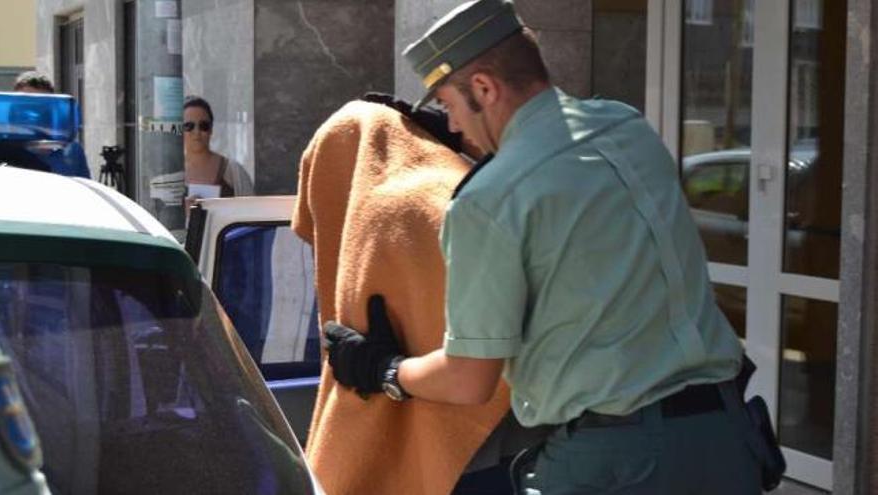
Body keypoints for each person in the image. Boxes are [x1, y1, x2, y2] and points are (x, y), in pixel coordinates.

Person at [322, 1, 764, 493]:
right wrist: (494, 142)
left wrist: (385, 369)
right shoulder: (626, 127)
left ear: (485, 88)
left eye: (449, 105)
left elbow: (469, 380)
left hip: (617, 461)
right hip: (723, 437)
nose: (451, 126)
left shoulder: (487, 203)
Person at [293, 97, 545, 495]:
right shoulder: (466, 184)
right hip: (528, 433)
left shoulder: (377, 212)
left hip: (456, 425)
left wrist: (383, 370)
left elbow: (467, 377)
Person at [13, 71, 90, 179]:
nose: (33, 111)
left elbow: (84, 190)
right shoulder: (3, 148)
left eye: (41, 104)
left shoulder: (72, 151)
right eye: (26, 103)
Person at [183, 95, 253, 204]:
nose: (196, 132)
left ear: (211, 129)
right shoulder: (171, 175)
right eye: (188, 126)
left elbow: (251, 213)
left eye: (204, 126)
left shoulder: (233, 172)